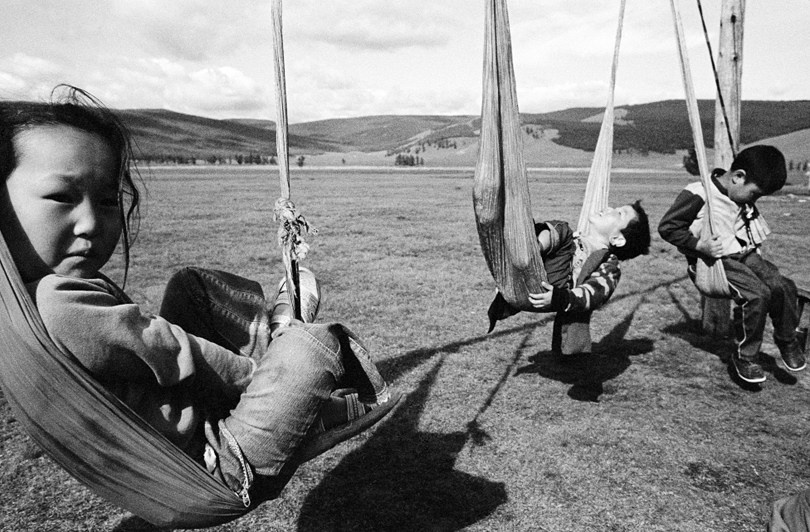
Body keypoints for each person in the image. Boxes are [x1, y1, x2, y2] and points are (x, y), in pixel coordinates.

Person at [0, 86, 401, 507]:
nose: (90, 223)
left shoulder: (19, 303)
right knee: (312, 345)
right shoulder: (57, 302)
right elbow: (176, 353)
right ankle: (299, 384)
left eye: (107, 200)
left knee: (191, 287)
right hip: (222, 461)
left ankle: (279, 342)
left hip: (193, 423)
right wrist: (267, 378)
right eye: (61, 197)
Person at [658, 144, 804, 384]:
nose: (754, 200)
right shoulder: (700, 193)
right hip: (713, 262)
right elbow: (668, 227)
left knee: (784, 286)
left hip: (743, 253)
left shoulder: (738, 193)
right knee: (757, 295)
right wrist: (699, 245)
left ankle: (787, 340)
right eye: (754, 194)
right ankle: (746, 356)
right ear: (738, 177)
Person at [487, 200, 651, 355]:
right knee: (547, 230)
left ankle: (531, 248)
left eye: (619, 213)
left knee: (562, 230)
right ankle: (524, 250)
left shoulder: (608, 264)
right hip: (533, 278)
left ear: (618, 239)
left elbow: (594, 294)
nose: (609, 208)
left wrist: (562, 298)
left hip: (555, 290)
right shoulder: (578, 238)